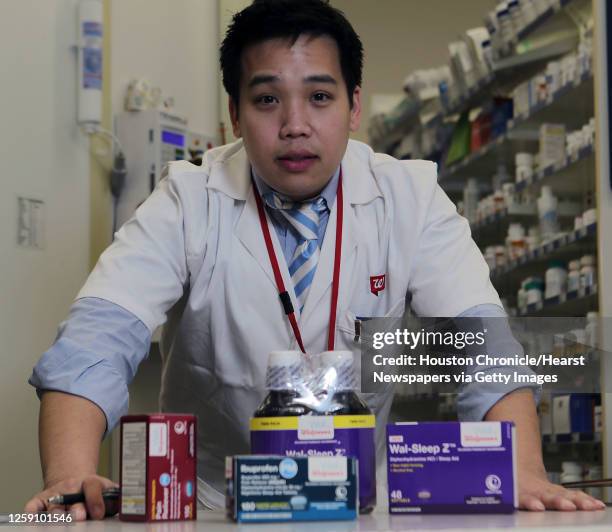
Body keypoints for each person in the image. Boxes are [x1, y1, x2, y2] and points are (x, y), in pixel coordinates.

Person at [25, 0, 604, 520]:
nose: (295, 124)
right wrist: (70, 473)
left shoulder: (407, 196)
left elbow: (481, 346)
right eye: (267, 98)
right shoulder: (187, 199)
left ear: (354, 106)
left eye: (320, 96)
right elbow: (96, 342)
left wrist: (523, 468)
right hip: (217, 505)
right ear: (235, 112)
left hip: (358, 500)